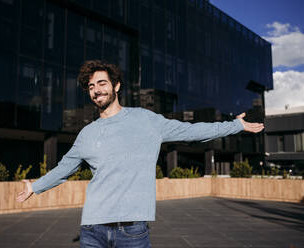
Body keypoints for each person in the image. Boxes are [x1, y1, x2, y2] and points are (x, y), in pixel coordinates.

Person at [16, 60, 264, 247]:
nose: (96, 90)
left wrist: (235, 125)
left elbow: (192, 131)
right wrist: (34, 187)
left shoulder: (146, 120)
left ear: (116, 86)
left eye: (102, 83)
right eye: (91, 86)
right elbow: (63, 169)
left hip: (132, 231)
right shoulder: (87, 134)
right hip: (91, 229)